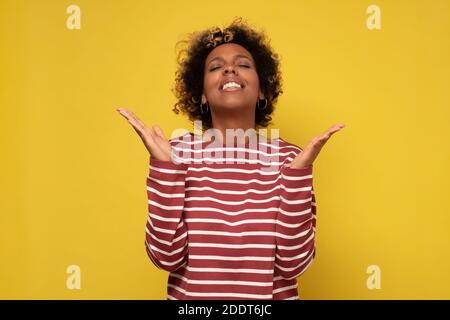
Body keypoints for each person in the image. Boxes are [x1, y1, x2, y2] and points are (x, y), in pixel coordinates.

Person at [117, 17, 345, 300]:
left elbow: (293, 264)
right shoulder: (175, 155)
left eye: (243, 64)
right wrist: (166, 170)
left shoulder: (289, 158)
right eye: (215, 67)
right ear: (201, 94)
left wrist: (297, 176)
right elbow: (166, 257)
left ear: (262, 89)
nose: (229, 68)